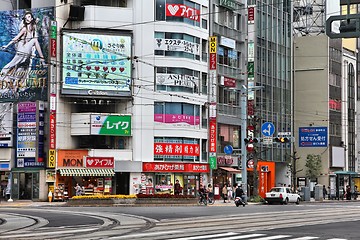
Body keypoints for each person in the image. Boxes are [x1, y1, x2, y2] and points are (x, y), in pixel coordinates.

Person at [0, 11, 46, 92]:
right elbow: (16, 38)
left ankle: (14, 93)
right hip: (22, 52)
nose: (27, 18)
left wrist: (37, 20)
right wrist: (7, 46)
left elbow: (36, 22)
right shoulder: (24, 29)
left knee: (20, 75)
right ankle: (42, 59)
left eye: (29, 17)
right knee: (34, 40)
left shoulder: (33, 29)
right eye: (26, 17)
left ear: (31, 18)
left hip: (27, 57)